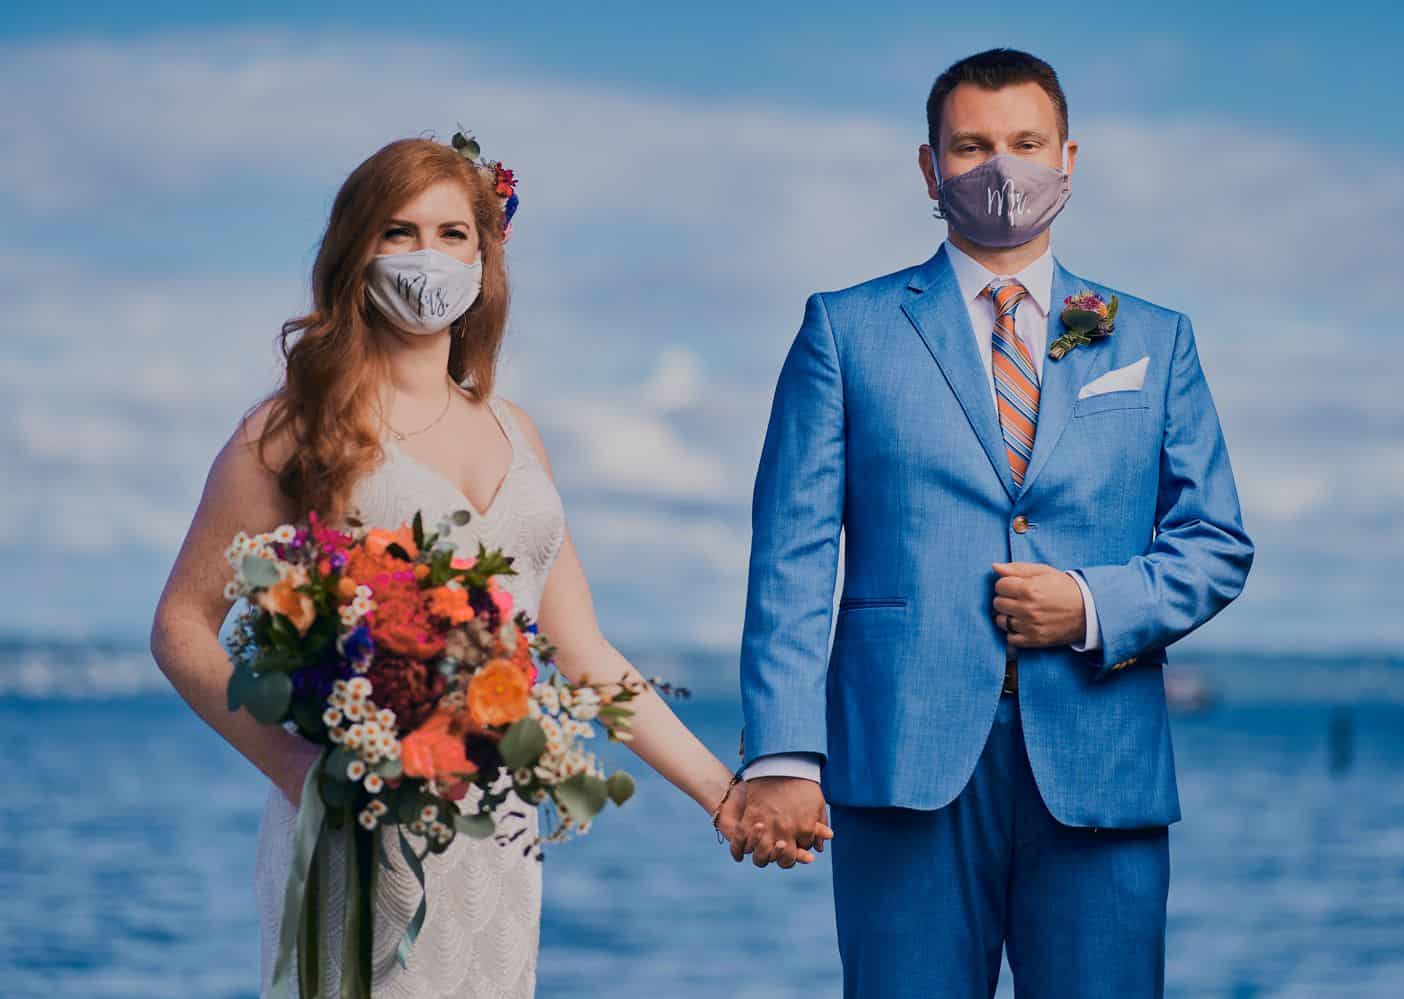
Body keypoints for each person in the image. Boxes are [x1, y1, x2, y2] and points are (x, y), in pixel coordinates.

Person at [148, 135, 824, 998]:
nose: (427, 254)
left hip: (494, 832)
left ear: (485, 253)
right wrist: (300, 769)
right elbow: (180, 626)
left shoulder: (517, 430)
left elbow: (581, 652)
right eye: (399, 231)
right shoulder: (295, 426)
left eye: (451, 232)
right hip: (355, 822)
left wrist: (723, 794)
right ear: (356, 251)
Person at [733, 49, 1254, 997]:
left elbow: (1216, 542)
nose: (997, 168)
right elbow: (792, 558)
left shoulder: (1152, 338)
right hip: (901, 757)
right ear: (930, 169)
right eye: (971, 146)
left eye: (1023, 143)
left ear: (1067, 159)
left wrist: (1092, 604)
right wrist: (780, 753)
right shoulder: (844, 330)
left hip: (1101, 756)